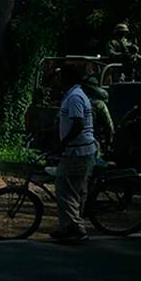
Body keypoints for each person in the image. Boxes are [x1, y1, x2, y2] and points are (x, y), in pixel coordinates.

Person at [50, 66, 97, 242]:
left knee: (64, 188)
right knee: (75, 190)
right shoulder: (73, 95)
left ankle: (77, 228)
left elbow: (78, 124)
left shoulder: (75, 97)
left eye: (58, 77)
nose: (56, 81)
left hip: (78, 151)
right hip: (80, 149)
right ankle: (67, 227)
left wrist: (63, 144)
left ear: (66, 79)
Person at [82, 75, 115, 157]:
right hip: (92, 140)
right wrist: (109, 143)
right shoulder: (99, 104)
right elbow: (109, 126)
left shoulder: (79, 102)